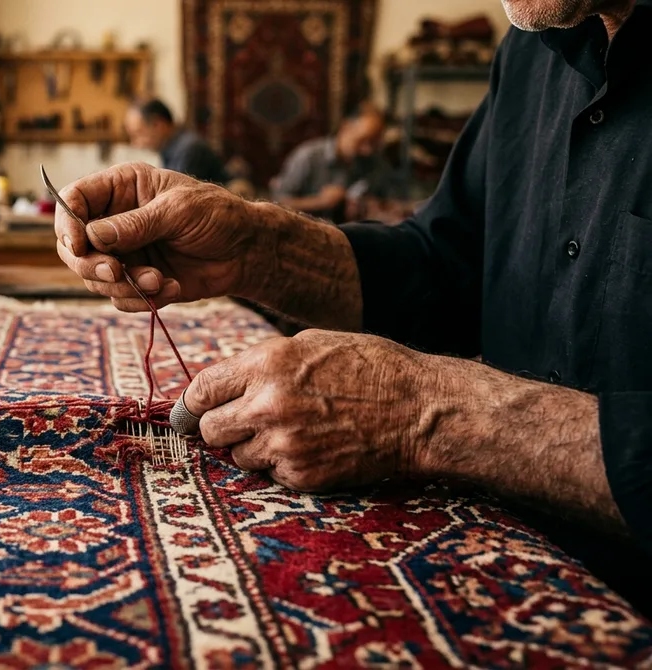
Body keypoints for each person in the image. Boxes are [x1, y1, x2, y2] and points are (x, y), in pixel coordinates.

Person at [55, 0, 652, 609]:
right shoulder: (533, 47)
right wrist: (258, 246)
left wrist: (433, 413)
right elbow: (445, 271)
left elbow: (436, 391)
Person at [271, 103, 394, 222]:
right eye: (362, 141)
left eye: (374, 144)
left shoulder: (376, 163)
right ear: (345, 127)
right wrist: (319, 202)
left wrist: (367, 207)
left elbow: (388, 203)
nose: (368, 150)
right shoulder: (308, 157)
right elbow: (277, 203)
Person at [124, 99, 229, 185]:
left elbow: (176, 200)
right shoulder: (171, 148)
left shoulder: (189, 149)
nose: (135, 143)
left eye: (137, 134)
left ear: (158, 125)